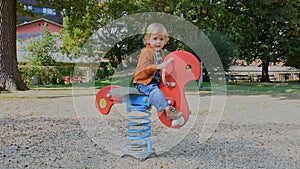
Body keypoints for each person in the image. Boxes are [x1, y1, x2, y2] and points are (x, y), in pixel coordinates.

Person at [133, 23, 185, 126]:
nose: (158, 41)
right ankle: (168, 110)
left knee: (170, 89)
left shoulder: (161, 53)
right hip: (144, 82)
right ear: (148, 39)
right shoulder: (146, 52)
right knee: (154, 90)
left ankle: (182, 110)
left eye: (161, 39)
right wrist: (158, 66)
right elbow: (143, 69)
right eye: (155, 38)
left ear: (165, 41)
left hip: (156, 81)